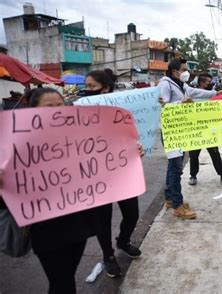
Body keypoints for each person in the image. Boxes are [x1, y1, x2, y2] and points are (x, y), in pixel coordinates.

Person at [0, 88, 99, 293]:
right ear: (33, 111)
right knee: (62, 282)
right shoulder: (15, 144)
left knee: (66, 277)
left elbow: (103, 162)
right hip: (45, 229)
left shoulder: (78, 136)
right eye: (49, 107)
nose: (57, 111)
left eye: (60, 105)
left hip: (78, 224)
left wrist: (131, 151)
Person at [81, 70, 142, 278]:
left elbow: (137, 130)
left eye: (91, 86)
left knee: (132, 214)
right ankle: (108, 256)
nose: (86, 90)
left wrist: (138, 147)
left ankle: (123, 241)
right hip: (95, 174)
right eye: (86, 86)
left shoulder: (122, 108)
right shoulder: (78, 110)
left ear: (105, 88)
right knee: (102, 219)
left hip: (122, 172)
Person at [158, 59, 222, 219]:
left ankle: (170, 198)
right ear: (175, 71)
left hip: (180, 130)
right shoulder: (165, 84)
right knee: (176, 168)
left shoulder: (182, 85)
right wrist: (180, 103)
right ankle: (177, 205)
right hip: (171, 131)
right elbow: (163, 106)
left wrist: (216, 93)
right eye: (183, 69)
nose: (186, 72)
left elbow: (197, 93)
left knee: (173, 166)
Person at [188, 73, 222, 186]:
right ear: (202, 83)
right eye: (208, 82)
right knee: (193, 155)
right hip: (196, 130)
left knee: (215, 153)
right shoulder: (192, 95)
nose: (211, 84)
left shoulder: (213, 95)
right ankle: (193, 175)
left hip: (210, 130)